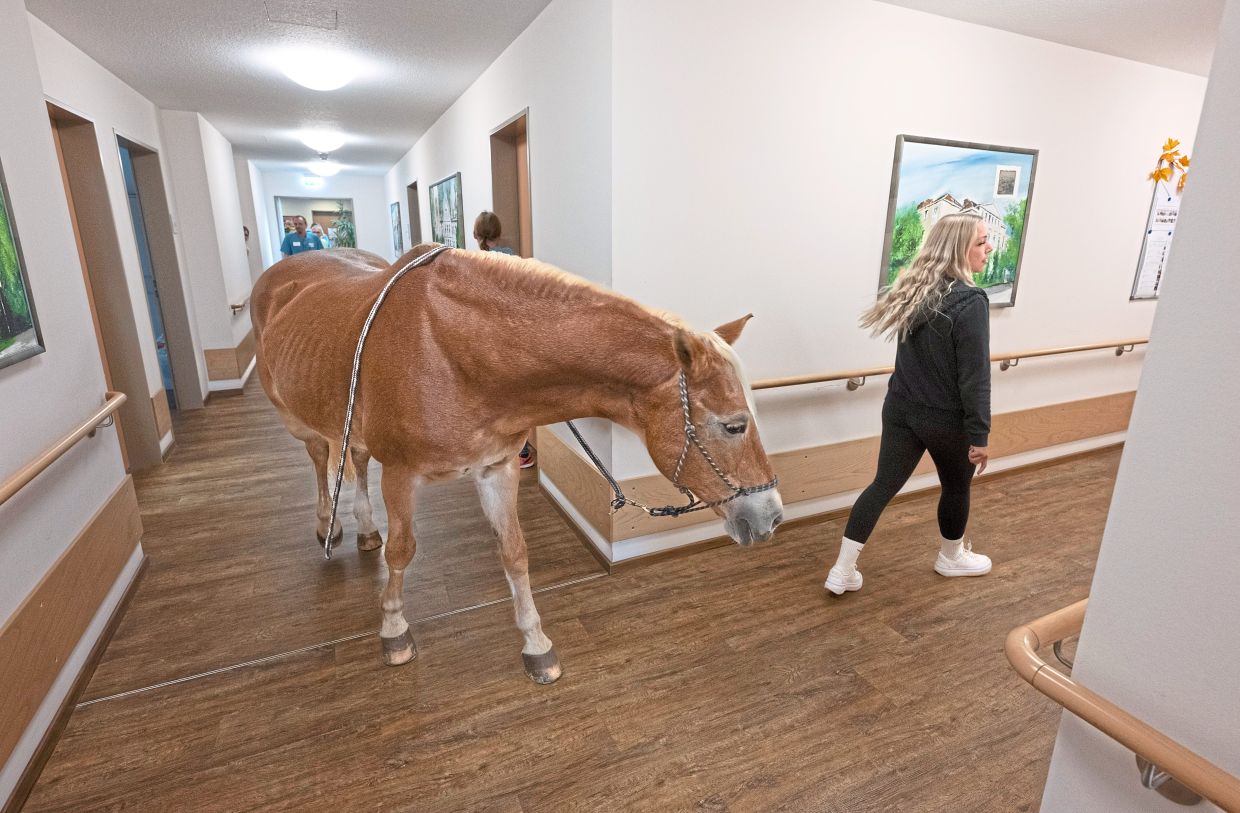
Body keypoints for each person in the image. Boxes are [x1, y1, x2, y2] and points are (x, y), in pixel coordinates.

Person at [825, 213, 994, 595]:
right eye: (982, 241)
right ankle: (951, 558)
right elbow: (975, 378)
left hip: (901, 408)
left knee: (882, 485)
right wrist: (980, 434)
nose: (989, 247)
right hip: (945, 419)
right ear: (959, 249)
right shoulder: (971, 301)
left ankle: (842, 569)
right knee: (955, 487)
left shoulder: (914, 290)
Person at [473, 211, 533, 468]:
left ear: (476, 235)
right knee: (515, 400)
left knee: (488, 399)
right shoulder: (514, 260)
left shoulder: (473, 264)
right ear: (499, 233)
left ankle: (493, 449)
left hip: (486, 341)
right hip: (512, 339)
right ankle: (521, 451)